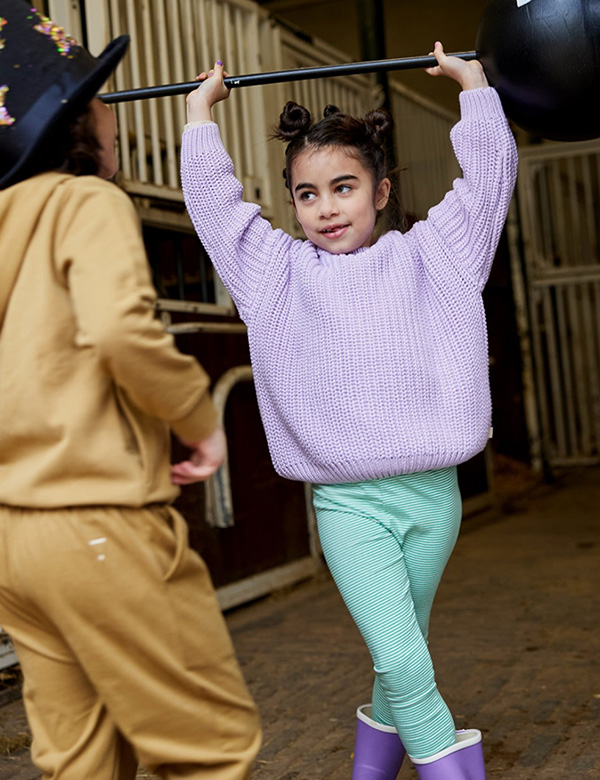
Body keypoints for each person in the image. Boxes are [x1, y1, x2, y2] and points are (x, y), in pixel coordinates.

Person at [180, 42, 517, 780]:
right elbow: (214, 210)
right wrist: (200, 118)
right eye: (308, 194)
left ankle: (369, 773)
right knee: (399, 653)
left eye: (344, 187)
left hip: (434, 498)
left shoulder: (436, 256)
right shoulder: (275, 275)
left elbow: (489, 180)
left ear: (382, 192)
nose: (327, 208)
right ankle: (449, 769)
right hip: (348, 506)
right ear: (292, 201)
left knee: (405, 652)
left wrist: (474, 90)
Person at [0, 3, 261, 780]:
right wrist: (195, 417)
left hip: (14, 542)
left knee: (79, 759)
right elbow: (120, 331)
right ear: (78, 119)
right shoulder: (87, 202)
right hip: (99, 524)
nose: (113, 113)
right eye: (101, 97)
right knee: (208, 747)